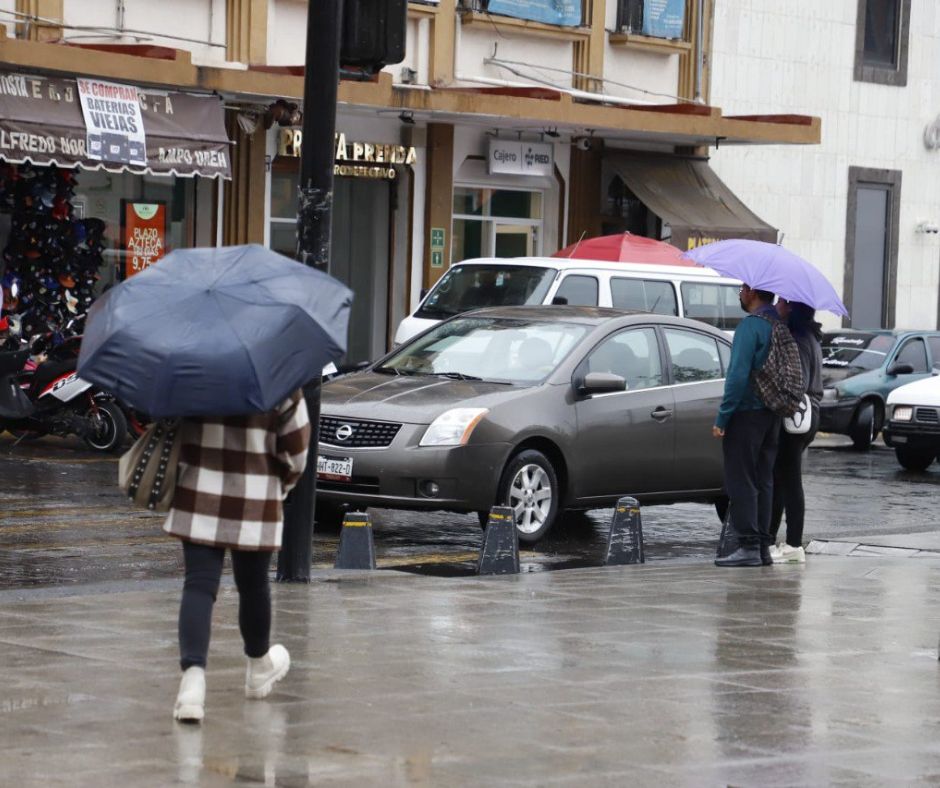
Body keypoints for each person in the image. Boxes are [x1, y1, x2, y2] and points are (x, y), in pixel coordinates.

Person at [165, 389, 311, 723]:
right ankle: (258, 667)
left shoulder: (193, 368)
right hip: (256, 491)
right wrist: (280, 486)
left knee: (199, 585)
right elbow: (297, 452)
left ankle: (192, 683)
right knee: (253, 584)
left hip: (198, 487)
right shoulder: (278, 377)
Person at [712, 284, 782, 567]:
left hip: (746, 412)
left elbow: (737, 376)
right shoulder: (778, 324)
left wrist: (722, 417)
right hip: (772, 413)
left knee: (740, 479)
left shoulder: (750, 327)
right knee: (764, 478)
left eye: (742, 289)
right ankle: (763, 547)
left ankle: (748, 546)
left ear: (752, 292)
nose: (740, 294)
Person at [770, 299, 823, 564]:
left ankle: (792, 544)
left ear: (791, 307)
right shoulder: (809, 336)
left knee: (789, 479)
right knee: (783, 478)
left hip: (798, 415)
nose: (777, 304)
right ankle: (774, 539)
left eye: (782, 301)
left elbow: (796, 379)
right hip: (807, 414)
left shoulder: (798, 338)